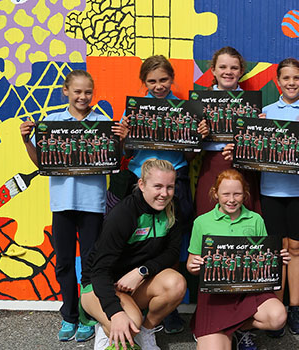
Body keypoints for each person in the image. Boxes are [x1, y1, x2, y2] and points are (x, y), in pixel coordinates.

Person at [19, 69, 127, 343]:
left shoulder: (102, 122)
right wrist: (26, 140)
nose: (83, 96)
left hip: (93, 204)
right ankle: (69, 315)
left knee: (91, 264)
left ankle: (88, 316)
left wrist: (121, 139)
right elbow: (41, 163)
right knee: (64, 262)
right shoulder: (53, 122)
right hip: (62, 203)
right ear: (65, 91)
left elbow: (114, 160)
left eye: (88, 92)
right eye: (77, 91)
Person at [221, 57, 299, 336]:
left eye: (296, 78)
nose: (292, 83)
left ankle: (295, 308)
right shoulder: (265, 112)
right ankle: (275, 306)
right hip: (271, 190)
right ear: (278, 82)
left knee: (297, 248)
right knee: (276, 250)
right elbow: (252, 150)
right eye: (286, 78)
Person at [114, 54, 200, 335]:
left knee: (170, 242)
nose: (159, 85)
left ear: (172, 78)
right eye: (152, 81)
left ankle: (169, 309)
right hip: (140, 180)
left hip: (176, 180)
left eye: (163, 79)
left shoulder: (185, 110)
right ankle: (131, 300)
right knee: (138, 239)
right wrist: (124, 136)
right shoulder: (134, 110)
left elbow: (190, 155)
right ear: (144, 82)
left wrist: (196, 137)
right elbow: (126, 153)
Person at [80, 159, 188, 350]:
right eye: (157, 186)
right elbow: (99, 271)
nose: (164, 193)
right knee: (129, 323)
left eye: (169, 187)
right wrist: (115, 313)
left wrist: (141, 271)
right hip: (99, 285)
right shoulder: (124, 213)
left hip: (134, 284)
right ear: (142, 185)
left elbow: (172, 253)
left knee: (176, 284)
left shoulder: (173, 207)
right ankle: (104, 323)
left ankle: (146, 332)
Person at [186, 169, 290, 350]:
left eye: (237, 194)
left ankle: (241, 329)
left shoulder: (256, 219)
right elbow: (190, 263)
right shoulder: (202, 222)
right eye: (226, 194)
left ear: (245, 194)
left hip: (249, 291)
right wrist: (194, 266)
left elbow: (263, 257)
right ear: (215, 193)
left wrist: (276, 259)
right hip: (216, 294)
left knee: (277, 317)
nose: (231, 199)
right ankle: (227, 329)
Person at [195, 46, 261, 217]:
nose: (228, 72)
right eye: (223, 67)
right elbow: (189, 150)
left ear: (241, 71)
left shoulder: (251, 103)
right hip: (212, 164)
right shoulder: (199, 102)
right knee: (208, 218)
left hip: (243, 166)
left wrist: (259, 128)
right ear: (213, 70)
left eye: (234, 68)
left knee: (244, 220)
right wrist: (197, 135)